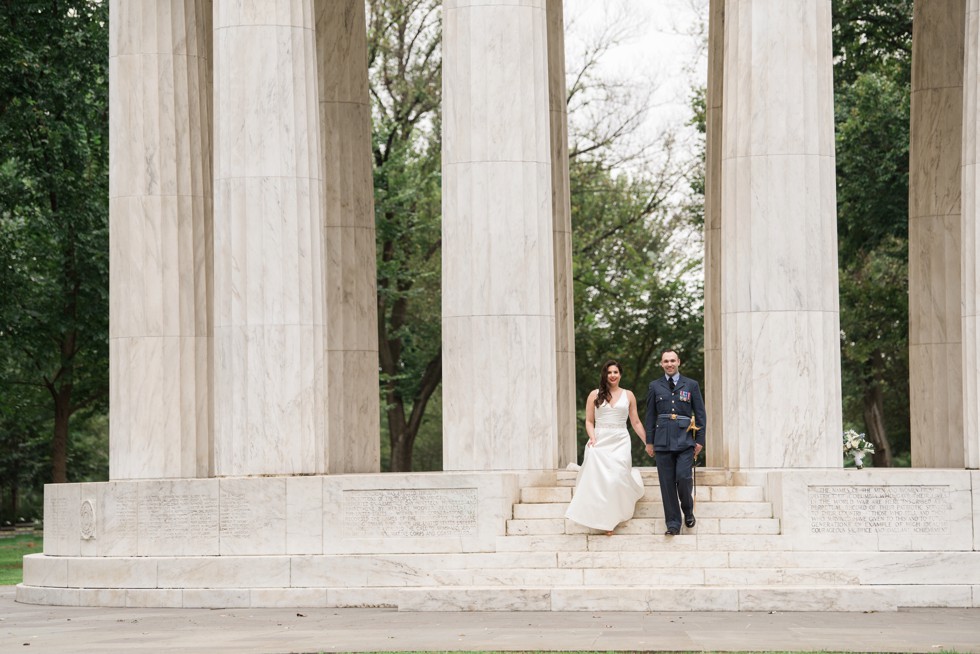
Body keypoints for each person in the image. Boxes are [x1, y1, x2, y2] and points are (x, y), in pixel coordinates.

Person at [565, 360, 646, 535]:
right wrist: (592, 437)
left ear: (620, 374)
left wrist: (648, 442)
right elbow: (588, 421)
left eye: (616, 372)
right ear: (605, 374)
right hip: (600, 439)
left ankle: (615, 513)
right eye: (609, 372)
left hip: (620, 440)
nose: (612, 375)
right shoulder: (595, 394)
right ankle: (606, 522)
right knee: (602, 480)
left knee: (616, 477)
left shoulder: (628, 395)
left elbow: (636, 422)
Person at [644, 349, 706, 536]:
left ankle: (688, 510)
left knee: (684, 478)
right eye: (666, 361)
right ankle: (672, 523)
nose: (669, 364)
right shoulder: (655, 386)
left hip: (685, 439)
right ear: (661, 364)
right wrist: (649, 441)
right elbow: (650, 416)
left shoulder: (691, 385)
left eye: (672, 360)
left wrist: (700, 440)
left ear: (678, 361)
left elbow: (701, 414)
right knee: (667, 483)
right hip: (662, 440)